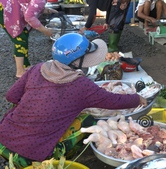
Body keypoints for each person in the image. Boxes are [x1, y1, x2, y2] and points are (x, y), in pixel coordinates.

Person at [0, 33, 148, 168]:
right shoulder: (81, 85)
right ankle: (61, 157)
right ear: (76, 61)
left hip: (3, 139)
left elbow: (11, 96)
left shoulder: (37, 68)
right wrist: (137, 98)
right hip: (33, 155)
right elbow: (114, 101)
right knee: (89, 121)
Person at [0, 0, 58, 78]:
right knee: (20, 39)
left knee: (23, 35)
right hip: (6, 9)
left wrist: (44, 10)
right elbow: (29, 17)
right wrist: (45, 30)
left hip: (8, 6)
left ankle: (25, 65)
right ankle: (20, 71)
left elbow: (28, 4)